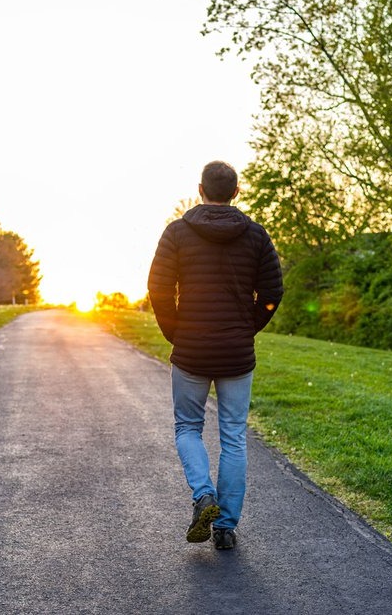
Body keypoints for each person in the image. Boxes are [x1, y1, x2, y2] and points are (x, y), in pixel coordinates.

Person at [147, 160, 283, 550]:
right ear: (236, 192)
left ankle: (203, 495)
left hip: (191, 349)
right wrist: (247, 327)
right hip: (236, 354)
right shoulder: (256, 235)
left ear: (200, 190)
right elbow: (272, 294)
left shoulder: (177, 232)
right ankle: (224, 527)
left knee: (188, 427)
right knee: (234, 436)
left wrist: (175, 331)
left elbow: (158, 288)